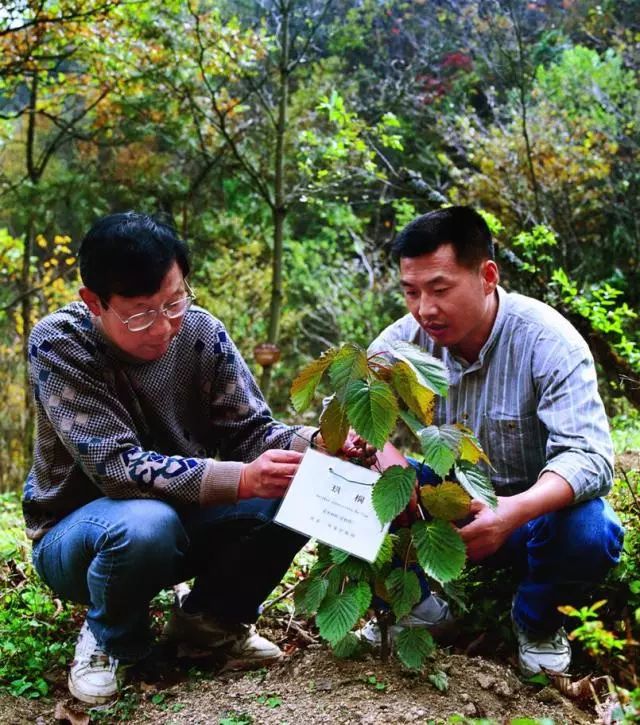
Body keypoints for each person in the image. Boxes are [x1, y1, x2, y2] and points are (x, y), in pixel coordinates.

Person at [22, 212, 357, 705]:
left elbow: (251, 432)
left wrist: (317, 444)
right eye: (141, 313)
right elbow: (118, 467)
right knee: (143, 523)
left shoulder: (200, 334)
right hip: (76, 536)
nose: (164, 326)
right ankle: (113, 638)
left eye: (174, 301)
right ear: (93, 302)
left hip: (180, 521)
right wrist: (242, 479)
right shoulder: (60, 345)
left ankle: (210, 620)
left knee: (298, 486)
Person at [360, 205, 624, 676]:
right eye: (411, 292)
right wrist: (390, 461)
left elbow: (589, 457)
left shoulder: (547, 340)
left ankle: (537, 621)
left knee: (592, 530)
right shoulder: (404, 341)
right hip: (445, 506)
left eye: (440, 289)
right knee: (343, 474)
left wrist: (510, 512)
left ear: (486, 275)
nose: (425, 309)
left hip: (532, 518)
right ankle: (421, 607)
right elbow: (351, 416)